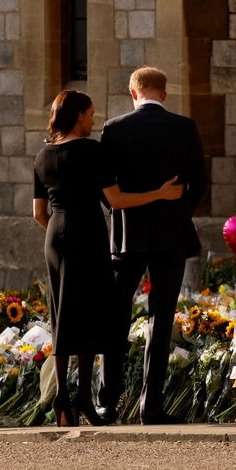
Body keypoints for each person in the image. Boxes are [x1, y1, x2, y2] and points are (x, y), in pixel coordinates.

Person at [33, 90, 183, 427]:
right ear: (77, 116)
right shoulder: (91, 151)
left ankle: (62, 399)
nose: (93, 120)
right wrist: (159, 193)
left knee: (61, 310)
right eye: (89, 114)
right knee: (89, 311)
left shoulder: (43, 155)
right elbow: (116, 200)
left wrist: (59, 232)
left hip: (54, 235)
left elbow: (38, 212)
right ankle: (84, 396)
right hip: (88, 234)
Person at [98, 67, 208, 425]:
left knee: (115, 316)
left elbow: (106, 191)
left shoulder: (114, 129)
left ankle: (108, 402)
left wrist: (122, 214)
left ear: (133, 93)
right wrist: (178, 212)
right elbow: (200, 183)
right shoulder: (184, 127)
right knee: (161, 318)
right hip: (171, 236)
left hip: (127, 237)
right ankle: (151, 405)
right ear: (164, 93)